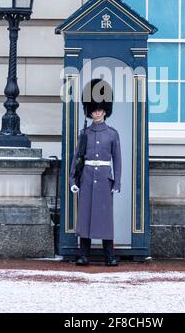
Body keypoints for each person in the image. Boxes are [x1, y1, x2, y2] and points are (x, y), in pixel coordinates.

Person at [69, 78, 122, 266]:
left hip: (104, 179)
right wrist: (72, 180)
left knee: (105, 218)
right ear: (89, 111)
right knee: (85, 217)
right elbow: (77, 158)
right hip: (87, 177)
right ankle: (84, 254)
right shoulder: (85, 133)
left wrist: (117, 182)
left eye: (100, 109)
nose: (97, 112)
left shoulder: (112, 134)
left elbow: (117, 160)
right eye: (94, 109)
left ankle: (110, 255)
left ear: (105, 110)